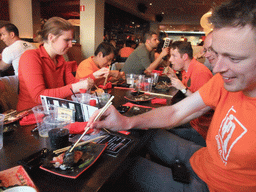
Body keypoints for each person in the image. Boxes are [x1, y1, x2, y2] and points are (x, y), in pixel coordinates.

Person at [88, 0, 256, 191]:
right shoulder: (223, 82)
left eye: (234, 58)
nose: (217, 68)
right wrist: (126, 122)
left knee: (122, 171)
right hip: (203, 159)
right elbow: (176, 111)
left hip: (211, 186)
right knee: (141, 138)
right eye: (218, 54)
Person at [17, 17, 93, 111]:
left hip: (54, 112)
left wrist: (92, 77)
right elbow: (38, 96)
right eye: (66, 40)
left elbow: (73, 84)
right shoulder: (30, 57)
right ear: (51, 38)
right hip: (31, 115)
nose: (70, 45)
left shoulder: (60, 59)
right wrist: (76, 87)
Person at [166, 40, 213, 145]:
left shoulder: (201, 72)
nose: (170, 59)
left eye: (174, 56)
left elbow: (203, 106)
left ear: (184, 57)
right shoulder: (186, 70)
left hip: (202, 130)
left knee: (159, 133)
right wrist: (174, 78)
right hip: (193, 121)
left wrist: (182, 88)